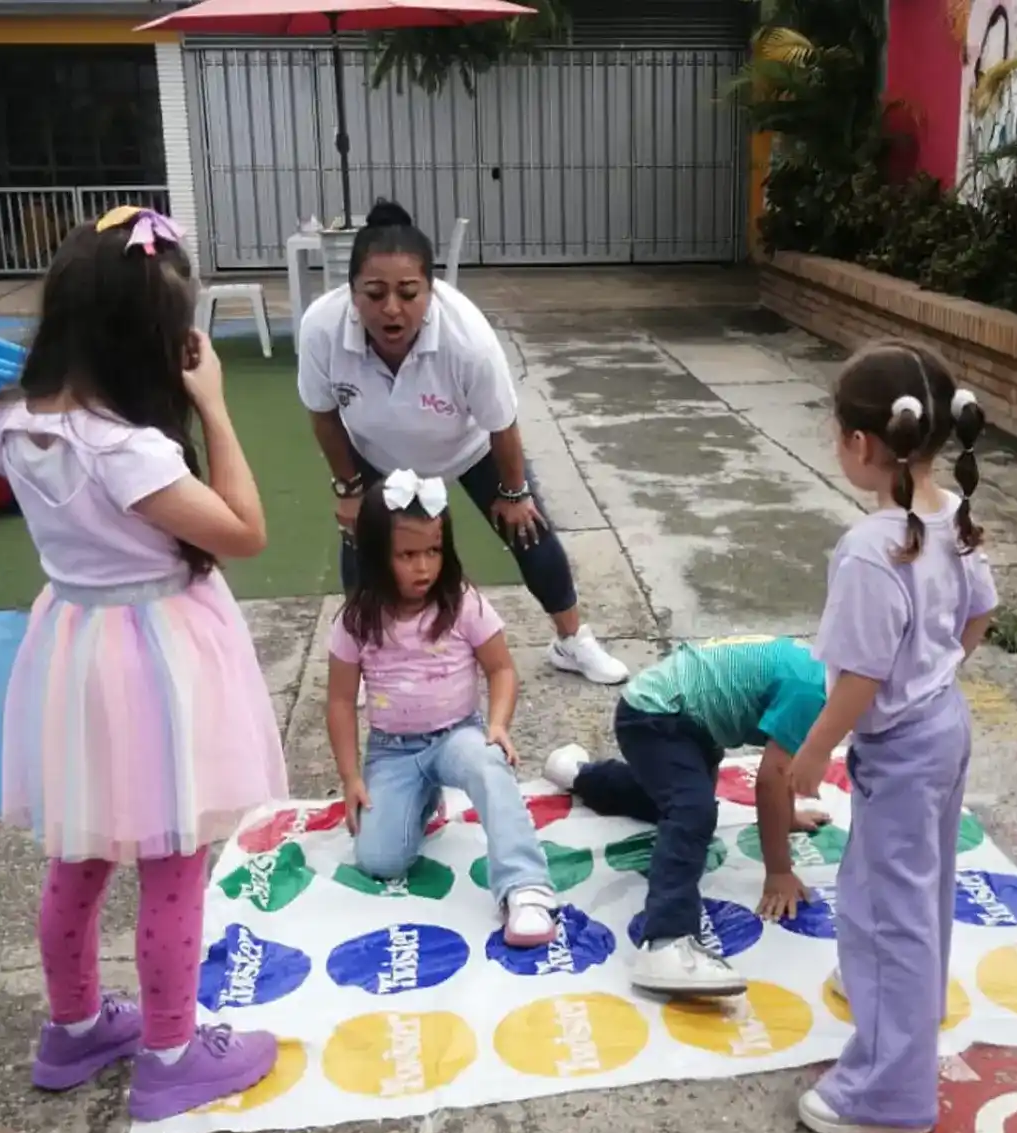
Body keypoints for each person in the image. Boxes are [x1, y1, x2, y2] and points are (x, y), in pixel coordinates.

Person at [0, 207, 284, 1122]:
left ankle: (73, 1027)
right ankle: (169, 1050)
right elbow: (245, 531)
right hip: (155, 660)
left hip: (74, 646)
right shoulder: (130, 450)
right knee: (171, 857)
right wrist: (215, 404)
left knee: (79, 851)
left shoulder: (8, 423)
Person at [786, 340, 998, 1133]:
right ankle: (903, 1012)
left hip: (903, 745)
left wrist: (814, 752)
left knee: (884, 910)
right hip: (943, 727)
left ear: (862, 445)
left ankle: (888, 1088)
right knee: (920, 896)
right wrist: (935, 668)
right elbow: (977, 616)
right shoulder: (954, 517)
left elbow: (862, 677)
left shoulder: (870, 549)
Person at [297, 198, 629, 687]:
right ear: (351, 293)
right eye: (374, 293)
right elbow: (323, 414)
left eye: (409, 293)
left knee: (529, 530)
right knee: (360, 543)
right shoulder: (321, 329)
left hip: (468, 448)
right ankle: (368, 658)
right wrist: (348, 487)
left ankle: (572, 639)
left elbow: (502, 422)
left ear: (432, 291)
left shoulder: (466, 338)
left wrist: (514, 495)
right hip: (374, 453)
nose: (392, 308)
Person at [328, 468, 559, 947]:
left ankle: (525, 886)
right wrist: (351, 776)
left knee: (487, 763)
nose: (423, 567)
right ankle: (422, 799)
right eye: (407, 555)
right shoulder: (355, 622)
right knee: (379, 860)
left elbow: (501, 669)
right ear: (374, 556)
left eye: (433, 551)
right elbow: (339, 701)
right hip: (392, 750)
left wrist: (496, 725)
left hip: (458, 733)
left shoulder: (462, 603)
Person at [542, 636, 833, 996]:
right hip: (657, 716)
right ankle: (666, 942)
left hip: (688, 722)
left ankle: (577, 774)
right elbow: (772, 779)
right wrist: (779, 871)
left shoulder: (825, 673)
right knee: (692, 811)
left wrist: (785, 816)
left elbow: (785, 760)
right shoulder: (812, 690)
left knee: (670, 801)